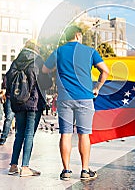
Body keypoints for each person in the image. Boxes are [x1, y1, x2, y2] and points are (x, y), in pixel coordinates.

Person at [43, 25, 109, 181]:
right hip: (85, 98)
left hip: (65, 99)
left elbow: (45, 69)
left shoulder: (58, 51)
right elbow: (105, 70)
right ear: (78, 35)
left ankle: (66, 170)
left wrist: (58, 71)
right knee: (84, 135)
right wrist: (97, 87)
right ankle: (85, 170)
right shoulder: (90, 51)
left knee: (65, 134)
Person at [7, 39, 47, 177]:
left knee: (19, 134)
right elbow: (46, 83)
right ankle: (25, 167)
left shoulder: (16, 61)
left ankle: (13, 165)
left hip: (18, 102)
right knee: (29, 134)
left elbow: (7, 79)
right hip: (33, 103)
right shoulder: (38, 61)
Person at [0, 75, 15, 146]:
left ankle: (3, 138)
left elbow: (4, 85)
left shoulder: (10, 73)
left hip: (11, 98)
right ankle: (4, 137)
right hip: (16, 98)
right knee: (11, 118)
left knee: (9, 118)